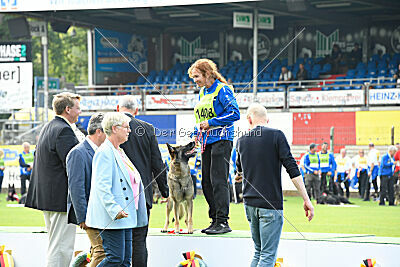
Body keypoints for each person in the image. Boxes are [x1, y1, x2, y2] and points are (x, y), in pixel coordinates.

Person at [236, 103, 314, 267]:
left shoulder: (241, 140)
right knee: (268, 256)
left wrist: (240, 175)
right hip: (270, 204)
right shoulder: (277, 135)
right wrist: (306, 199)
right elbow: (292, 169)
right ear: (267, 119)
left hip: (249, 204)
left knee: (259, 252)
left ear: (249, 119)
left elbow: (240, 171)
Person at [25, 92, 81, 267]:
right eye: (78, 108)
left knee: (56, 244)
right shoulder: (64, 130)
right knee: (61, 247)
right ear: (68, 109)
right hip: (59, 199)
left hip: (49, 197)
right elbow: (72, 165)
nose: (80, 112)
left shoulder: (49, 127)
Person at [86, 112, 148, 266]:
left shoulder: (119, 151)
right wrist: (114, 209)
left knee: (125, 261)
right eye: (126, 127)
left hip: (126, 216)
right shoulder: (105, 152)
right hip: (113, 216)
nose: (129, 130)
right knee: (115, 258)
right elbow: (102, 186)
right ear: (114, 128)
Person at [188, 58, 240, 234]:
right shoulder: (203, 93)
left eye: (197, 76)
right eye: (193, 77)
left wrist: (211, 122)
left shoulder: (223, 89)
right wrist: (197, 134)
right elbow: (200, 119)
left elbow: (235, 113)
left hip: (222, 139)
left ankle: (223, 221)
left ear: (208, 73)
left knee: (218, 180)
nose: (195, 80)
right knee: (207, 182)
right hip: (207, 141)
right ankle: (214, 220)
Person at [118, 95, 169, 267]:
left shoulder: (109, 127)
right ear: (137, 111)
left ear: (118, 109)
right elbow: (157, 163)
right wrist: (165, 191)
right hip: (141, 193)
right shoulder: (147, 129)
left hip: (116, 194)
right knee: (139, 240)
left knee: (115, 243)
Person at [66, 113, 106, 266]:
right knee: (100, 252)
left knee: (99, 252)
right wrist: (82, 217)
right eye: (107, 131)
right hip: (89, 214)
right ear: (99, 132)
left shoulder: (100, 151)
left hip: (100, 213)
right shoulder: (77, 153)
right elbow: (76, 187)